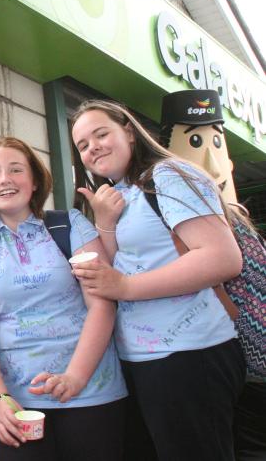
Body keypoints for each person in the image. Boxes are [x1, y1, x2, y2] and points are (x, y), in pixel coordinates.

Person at [70, 99, 245, 461]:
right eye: (83, 145)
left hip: (191, 354)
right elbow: (128, 262)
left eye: (101, 134)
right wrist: (104, 221)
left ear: (130, 132)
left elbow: (223, 258)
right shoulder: (121, 194)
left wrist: (125, 287)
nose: (93, 148)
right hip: (142, 359)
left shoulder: (169, 176)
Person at [0, 137, 127, 460]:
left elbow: (102, 303)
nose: (4, 179)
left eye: (15, 170)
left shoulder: (68, 224)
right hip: (20, 404)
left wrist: (75, 377)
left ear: (34, 181)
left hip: (93, 393)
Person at [159, 89, 266, 461]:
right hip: (236, 361)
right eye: (194, 141)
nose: (213, 162)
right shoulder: (181, 212)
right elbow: (210, 276)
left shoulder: (237, 216)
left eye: (217, 142)